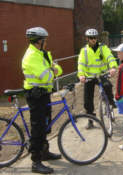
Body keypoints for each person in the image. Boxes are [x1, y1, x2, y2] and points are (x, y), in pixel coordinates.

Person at [22, 27, 63, 174]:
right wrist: (53, 71)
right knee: (38, 128)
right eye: (45, 39)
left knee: (46, 125)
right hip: (35, 95)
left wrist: (53, 70)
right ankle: (36, 162)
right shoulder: (32, 56)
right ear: (39, 40)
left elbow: (58, 69)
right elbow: (47, 76)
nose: (46, 42)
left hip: (43, 93)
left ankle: (44, 153)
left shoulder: (42, 54)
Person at [77, 28, 118, 129]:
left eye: (95, 37)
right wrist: (81, 75)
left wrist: (113, 67)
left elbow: (109, 57)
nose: (93, 40)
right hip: (89, 77)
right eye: (91, 38)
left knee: (107, 86)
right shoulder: (84, 51)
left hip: (101, 75)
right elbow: (81, 64)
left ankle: (111, 102)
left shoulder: (102, 47)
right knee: (87, 100)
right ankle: (91, 120)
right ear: (87, 39)